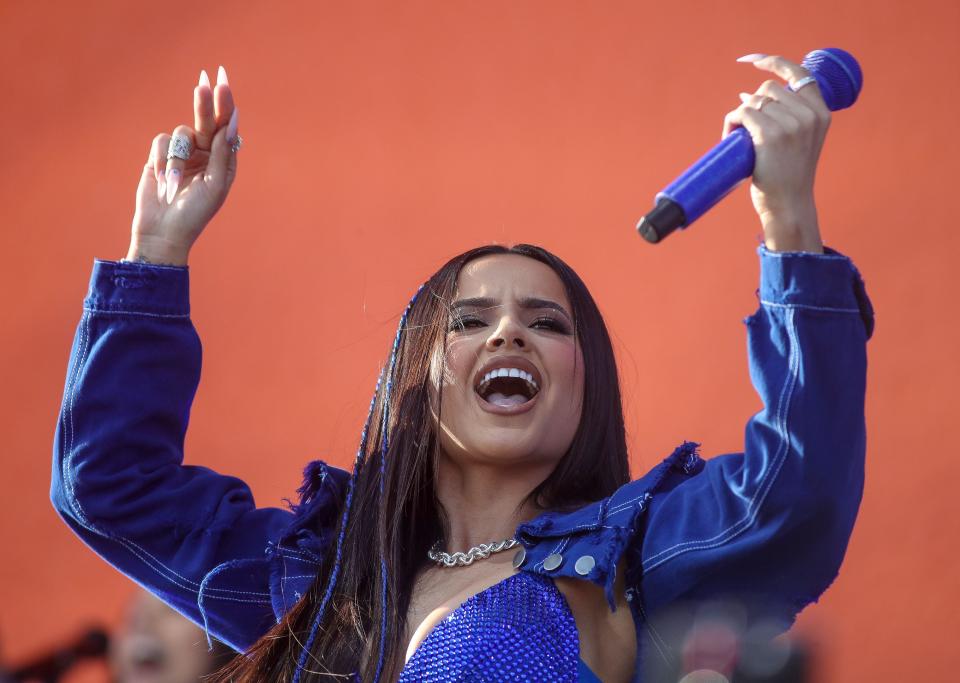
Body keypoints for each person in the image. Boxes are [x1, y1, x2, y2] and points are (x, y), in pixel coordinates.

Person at [51, 56, 873, 683]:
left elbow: (797, 495)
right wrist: (155, 253)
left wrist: (788, 221)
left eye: (546, 323)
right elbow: (110, 486)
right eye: (470, 321)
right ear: (417, 379)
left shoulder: (633, 560)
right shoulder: (311, 574)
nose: (508, 332)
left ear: (585, 382)